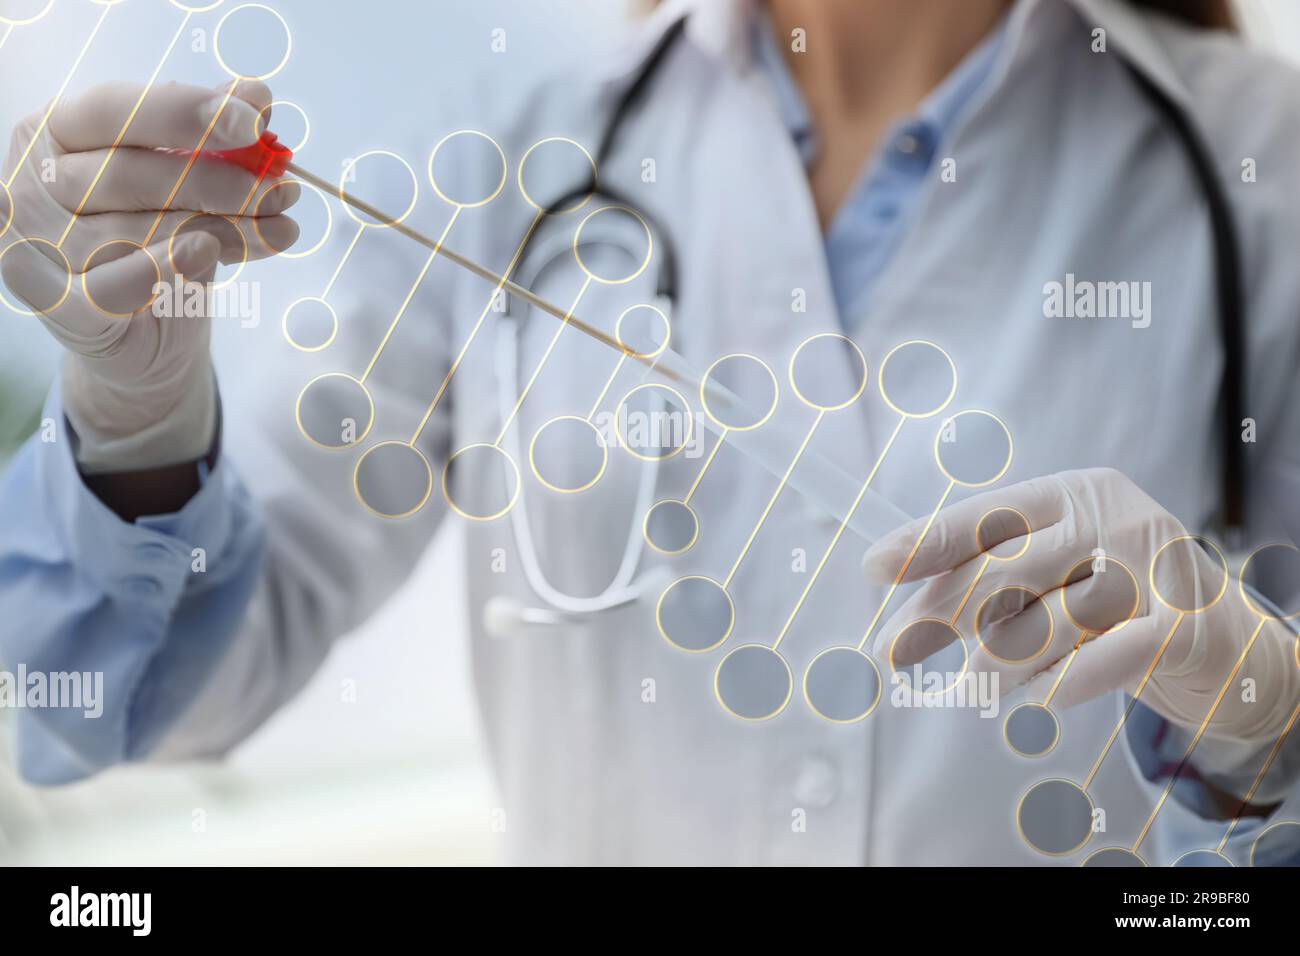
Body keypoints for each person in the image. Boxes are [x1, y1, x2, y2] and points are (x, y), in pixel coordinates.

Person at [1, 0, 1298, 865]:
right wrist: (137, 412)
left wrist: (1262, 711)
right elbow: (137, 702)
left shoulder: (1263, 168)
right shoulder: (525, 136)